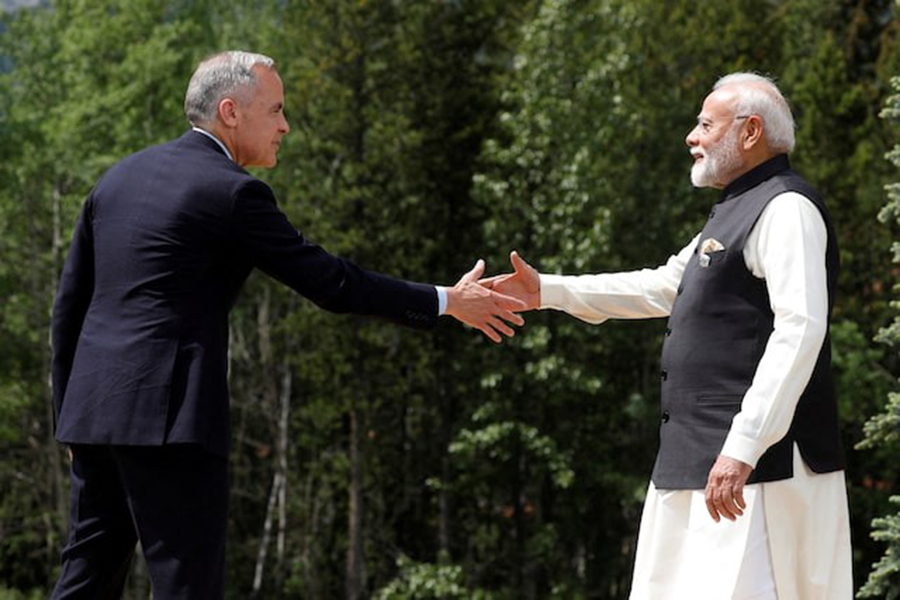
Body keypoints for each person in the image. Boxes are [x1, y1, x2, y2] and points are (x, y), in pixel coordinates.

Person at [49, 50, 525, 599]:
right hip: (170, 421)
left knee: (84, 579)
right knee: (186, 588)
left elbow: (70, 307)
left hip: (91, 417)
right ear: (230, 112)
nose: (285, 125)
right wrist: (447, 300)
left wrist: (68, 416)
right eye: (275, 110)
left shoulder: (115, 179)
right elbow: (333, 283)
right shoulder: (232, 191)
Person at [483, 73, 852, 599]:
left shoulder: (786, 208)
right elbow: (662, 287)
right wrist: (546, 290)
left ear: (749, 133)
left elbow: (801, 328)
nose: (691, 136)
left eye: (705, 124)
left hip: (757, 472)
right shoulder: (733, 213)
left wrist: (743, 447)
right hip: (698, 461)